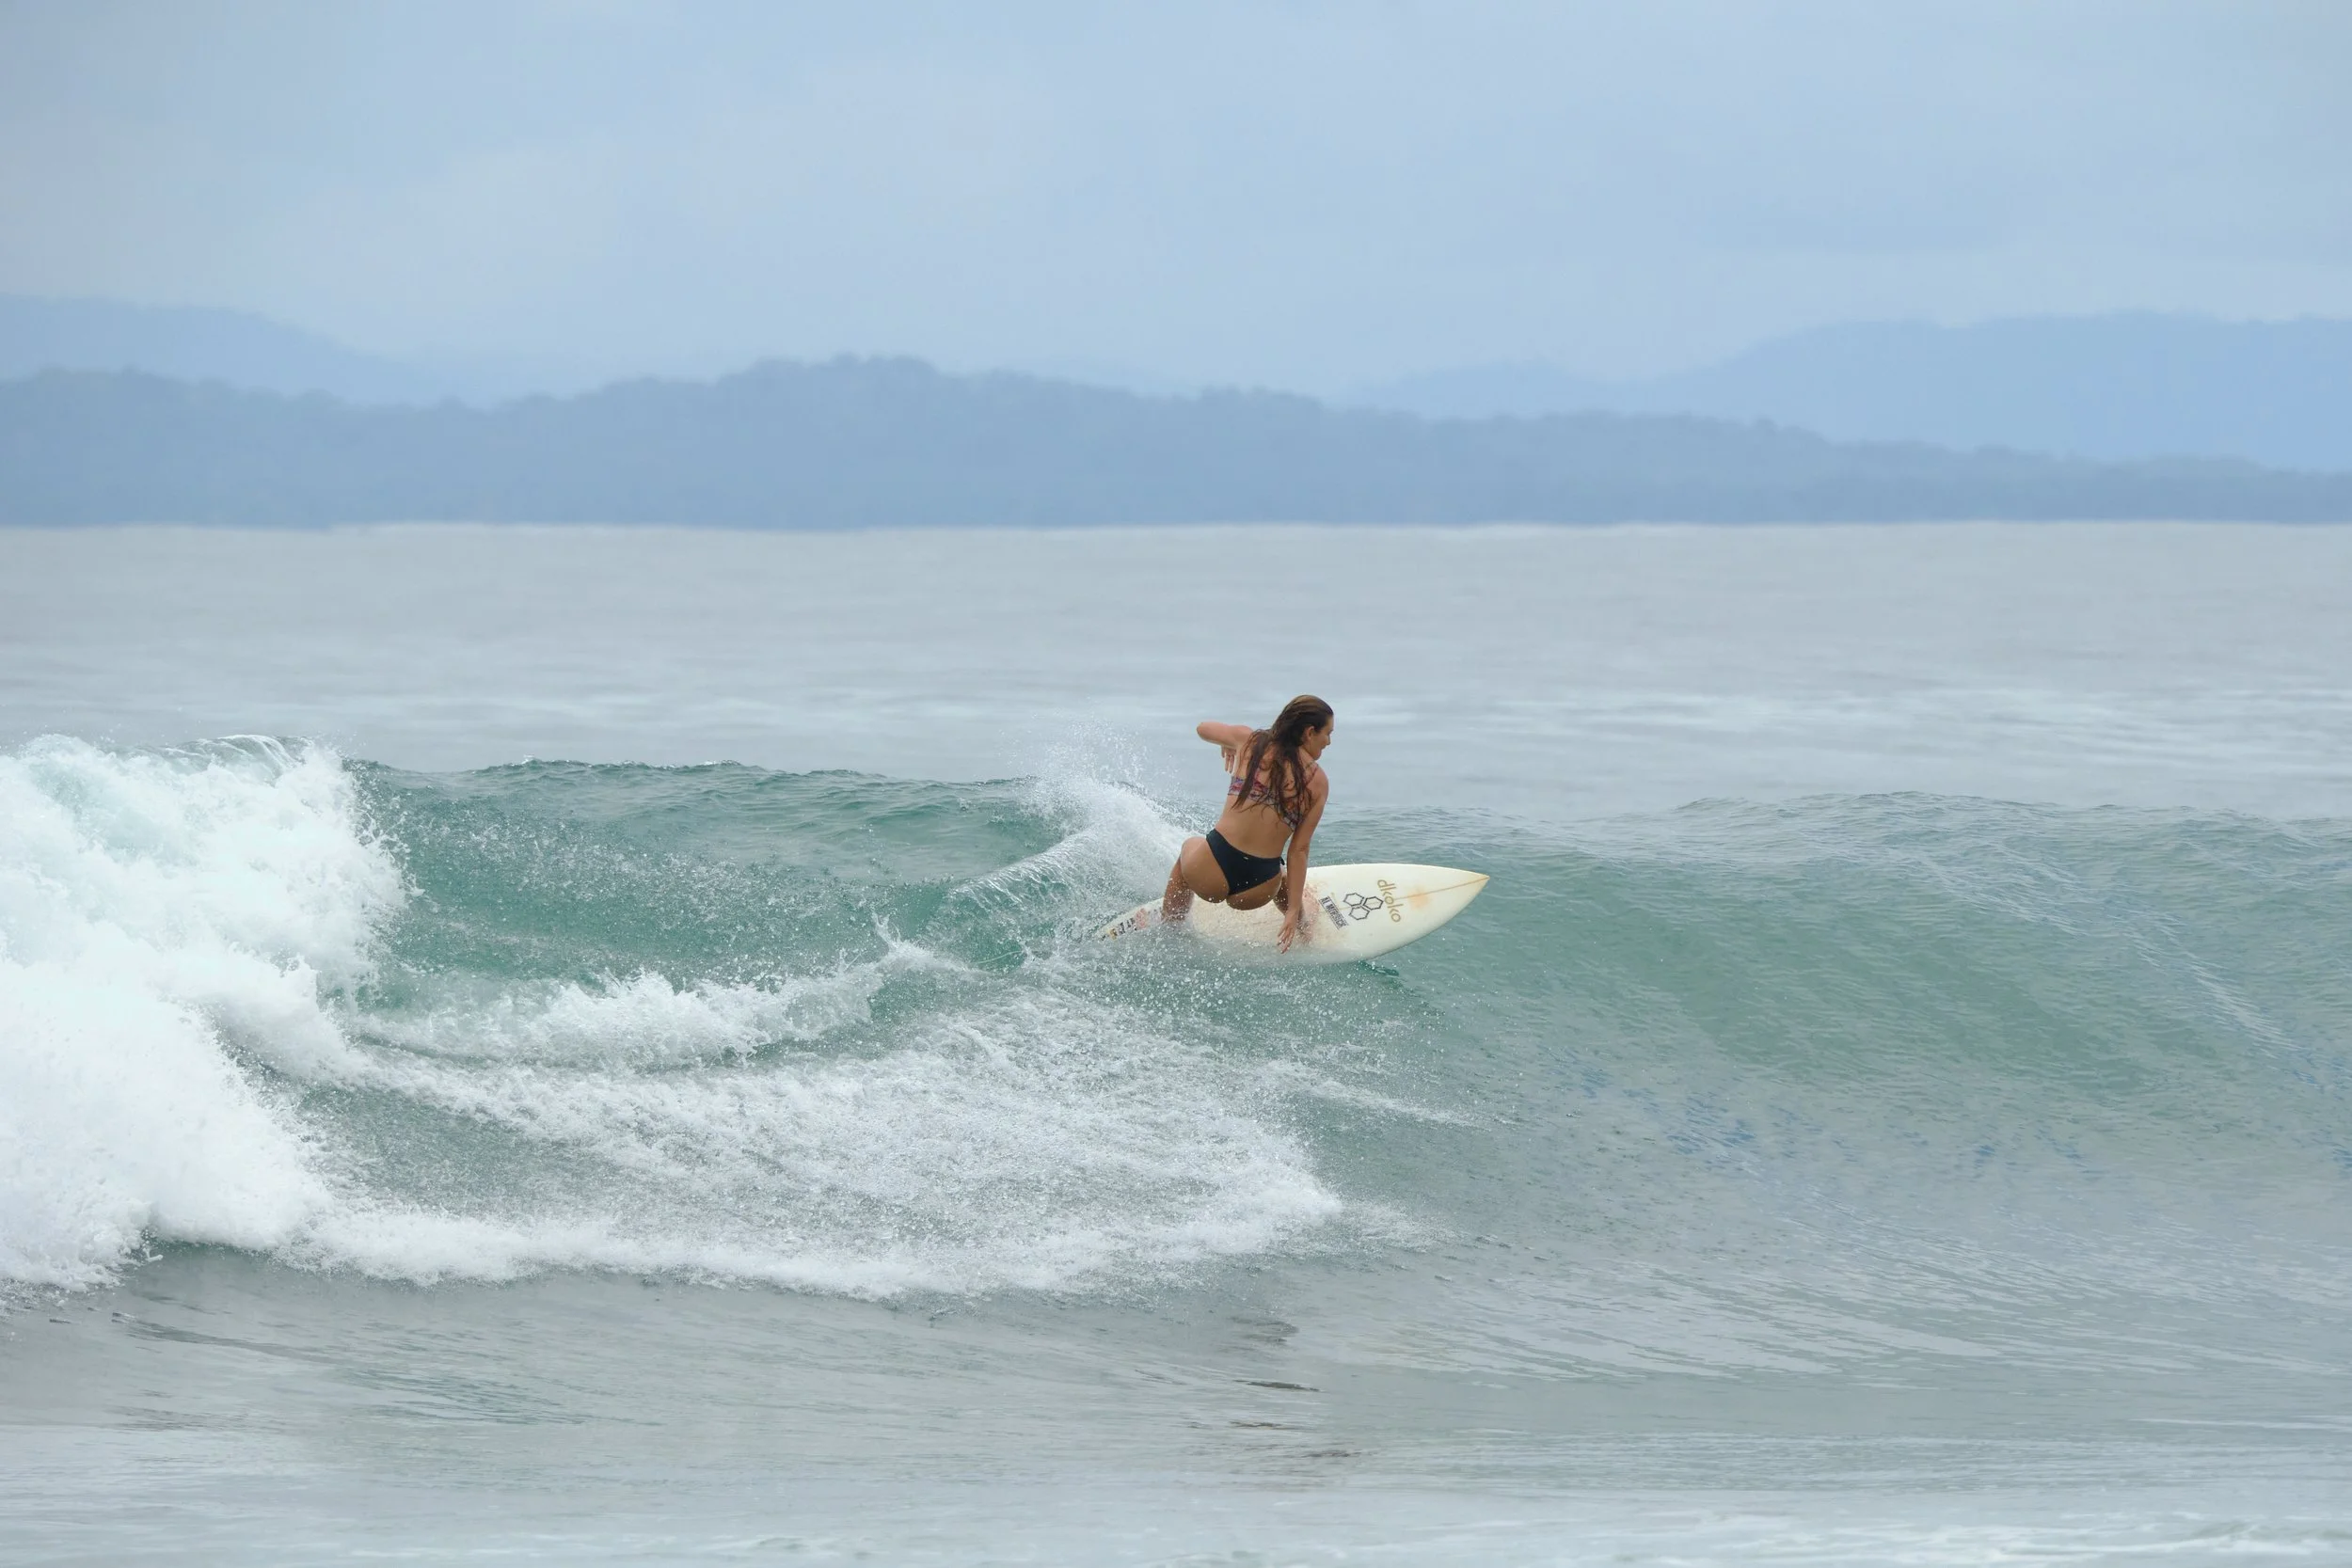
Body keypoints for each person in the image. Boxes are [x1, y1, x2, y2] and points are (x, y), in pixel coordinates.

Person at [1162, 695, 1333, 953]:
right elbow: (1299, 850)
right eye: (1327, 734)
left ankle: (1170, 929)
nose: (1328, 741)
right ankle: (1303, 928)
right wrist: (1293, 909)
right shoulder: (1318, 783)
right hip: (1258, 888)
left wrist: (1228, 743)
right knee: (1283, 878)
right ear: (1310, 732)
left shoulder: (1251, 741)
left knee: (1190, 846)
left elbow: (1202, 728)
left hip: (1208, 874)